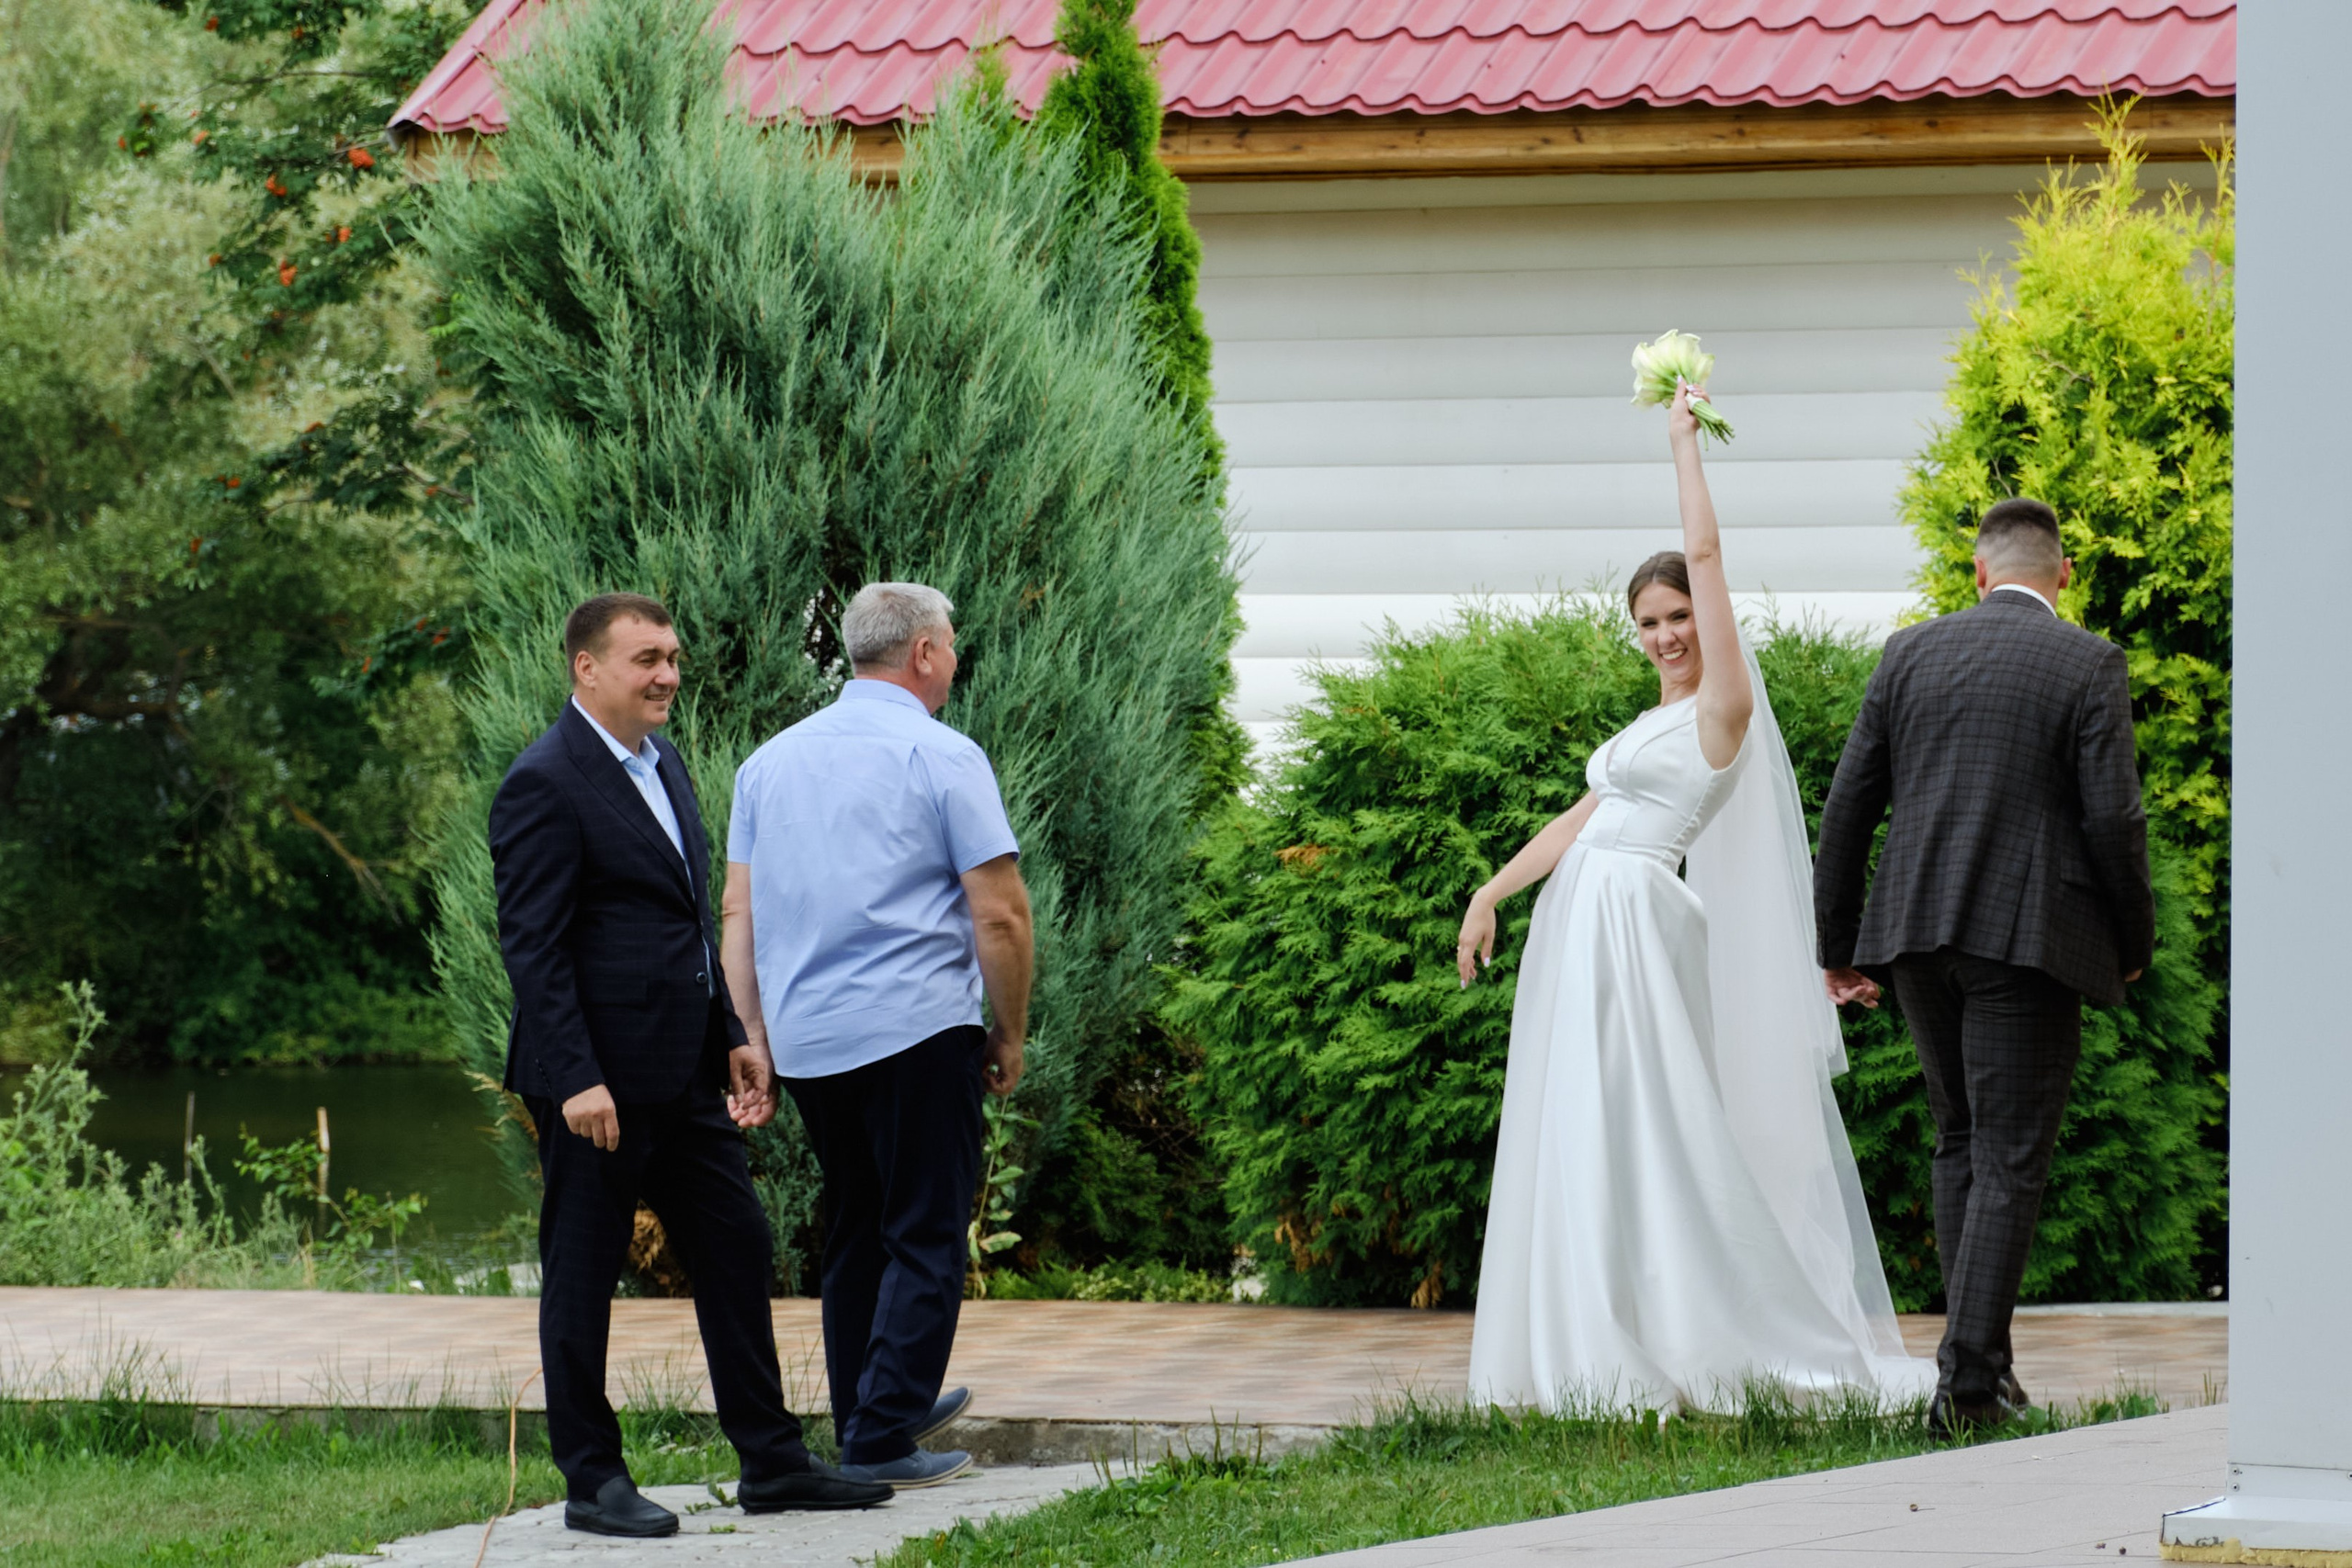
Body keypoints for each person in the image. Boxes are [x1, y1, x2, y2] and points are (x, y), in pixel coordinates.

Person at [1455, 384, 1931, 1414]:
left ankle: (1694, 1328)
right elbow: (1582, 817)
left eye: (1677, 616)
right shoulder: (1643, 728)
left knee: (1651, 1124)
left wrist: (1682, 446)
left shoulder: (1724, 710)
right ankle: (1589, 1329)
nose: (1668, 634)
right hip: (1579, 926)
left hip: (1636, 925)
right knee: (1583, 1118)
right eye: (1650, 622)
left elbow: (1705, 559)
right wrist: (1492, 888)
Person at [489, 592, 891, 1536]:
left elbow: (681, 924)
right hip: (595, 1086)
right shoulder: (544, 781)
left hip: (684, 1074)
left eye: (672, 656)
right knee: (581, 1274)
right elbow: (533, 947)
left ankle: (774, 1464)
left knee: (737, 1247)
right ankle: (592, 1480)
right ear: (586, 668)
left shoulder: (663, 763)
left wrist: (733, 1036)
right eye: (646, 659)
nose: (668, 674)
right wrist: (576, 1076)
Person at [1814, 497, 2154, 1440]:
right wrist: (2131, 944)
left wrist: (1835, 946)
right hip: (2025, 940)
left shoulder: (1907, 654)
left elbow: (1847, 809)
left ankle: (1983, 1370)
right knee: (2006, 1154)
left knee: (1962, 1140)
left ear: (1977, 573)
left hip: (1915, 934)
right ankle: (1963, 1388)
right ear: (2063, 574)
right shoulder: (2088, 662)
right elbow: (2114, 823)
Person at [724, 581, 1033, 1489]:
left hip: (811, 1037)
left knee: (859, 1225)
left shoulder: (766, 765)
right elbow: (1002, 917)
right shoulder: (942, 755)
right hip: (915, 1025)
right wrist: (1006, 1029)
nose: (955, 662)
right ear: (925, 655)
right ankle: (883, 1432)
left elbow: (737, 910)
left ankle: (874, 1401)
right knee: (927, 1228)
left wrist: (755, 1041)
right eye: (954, 646)